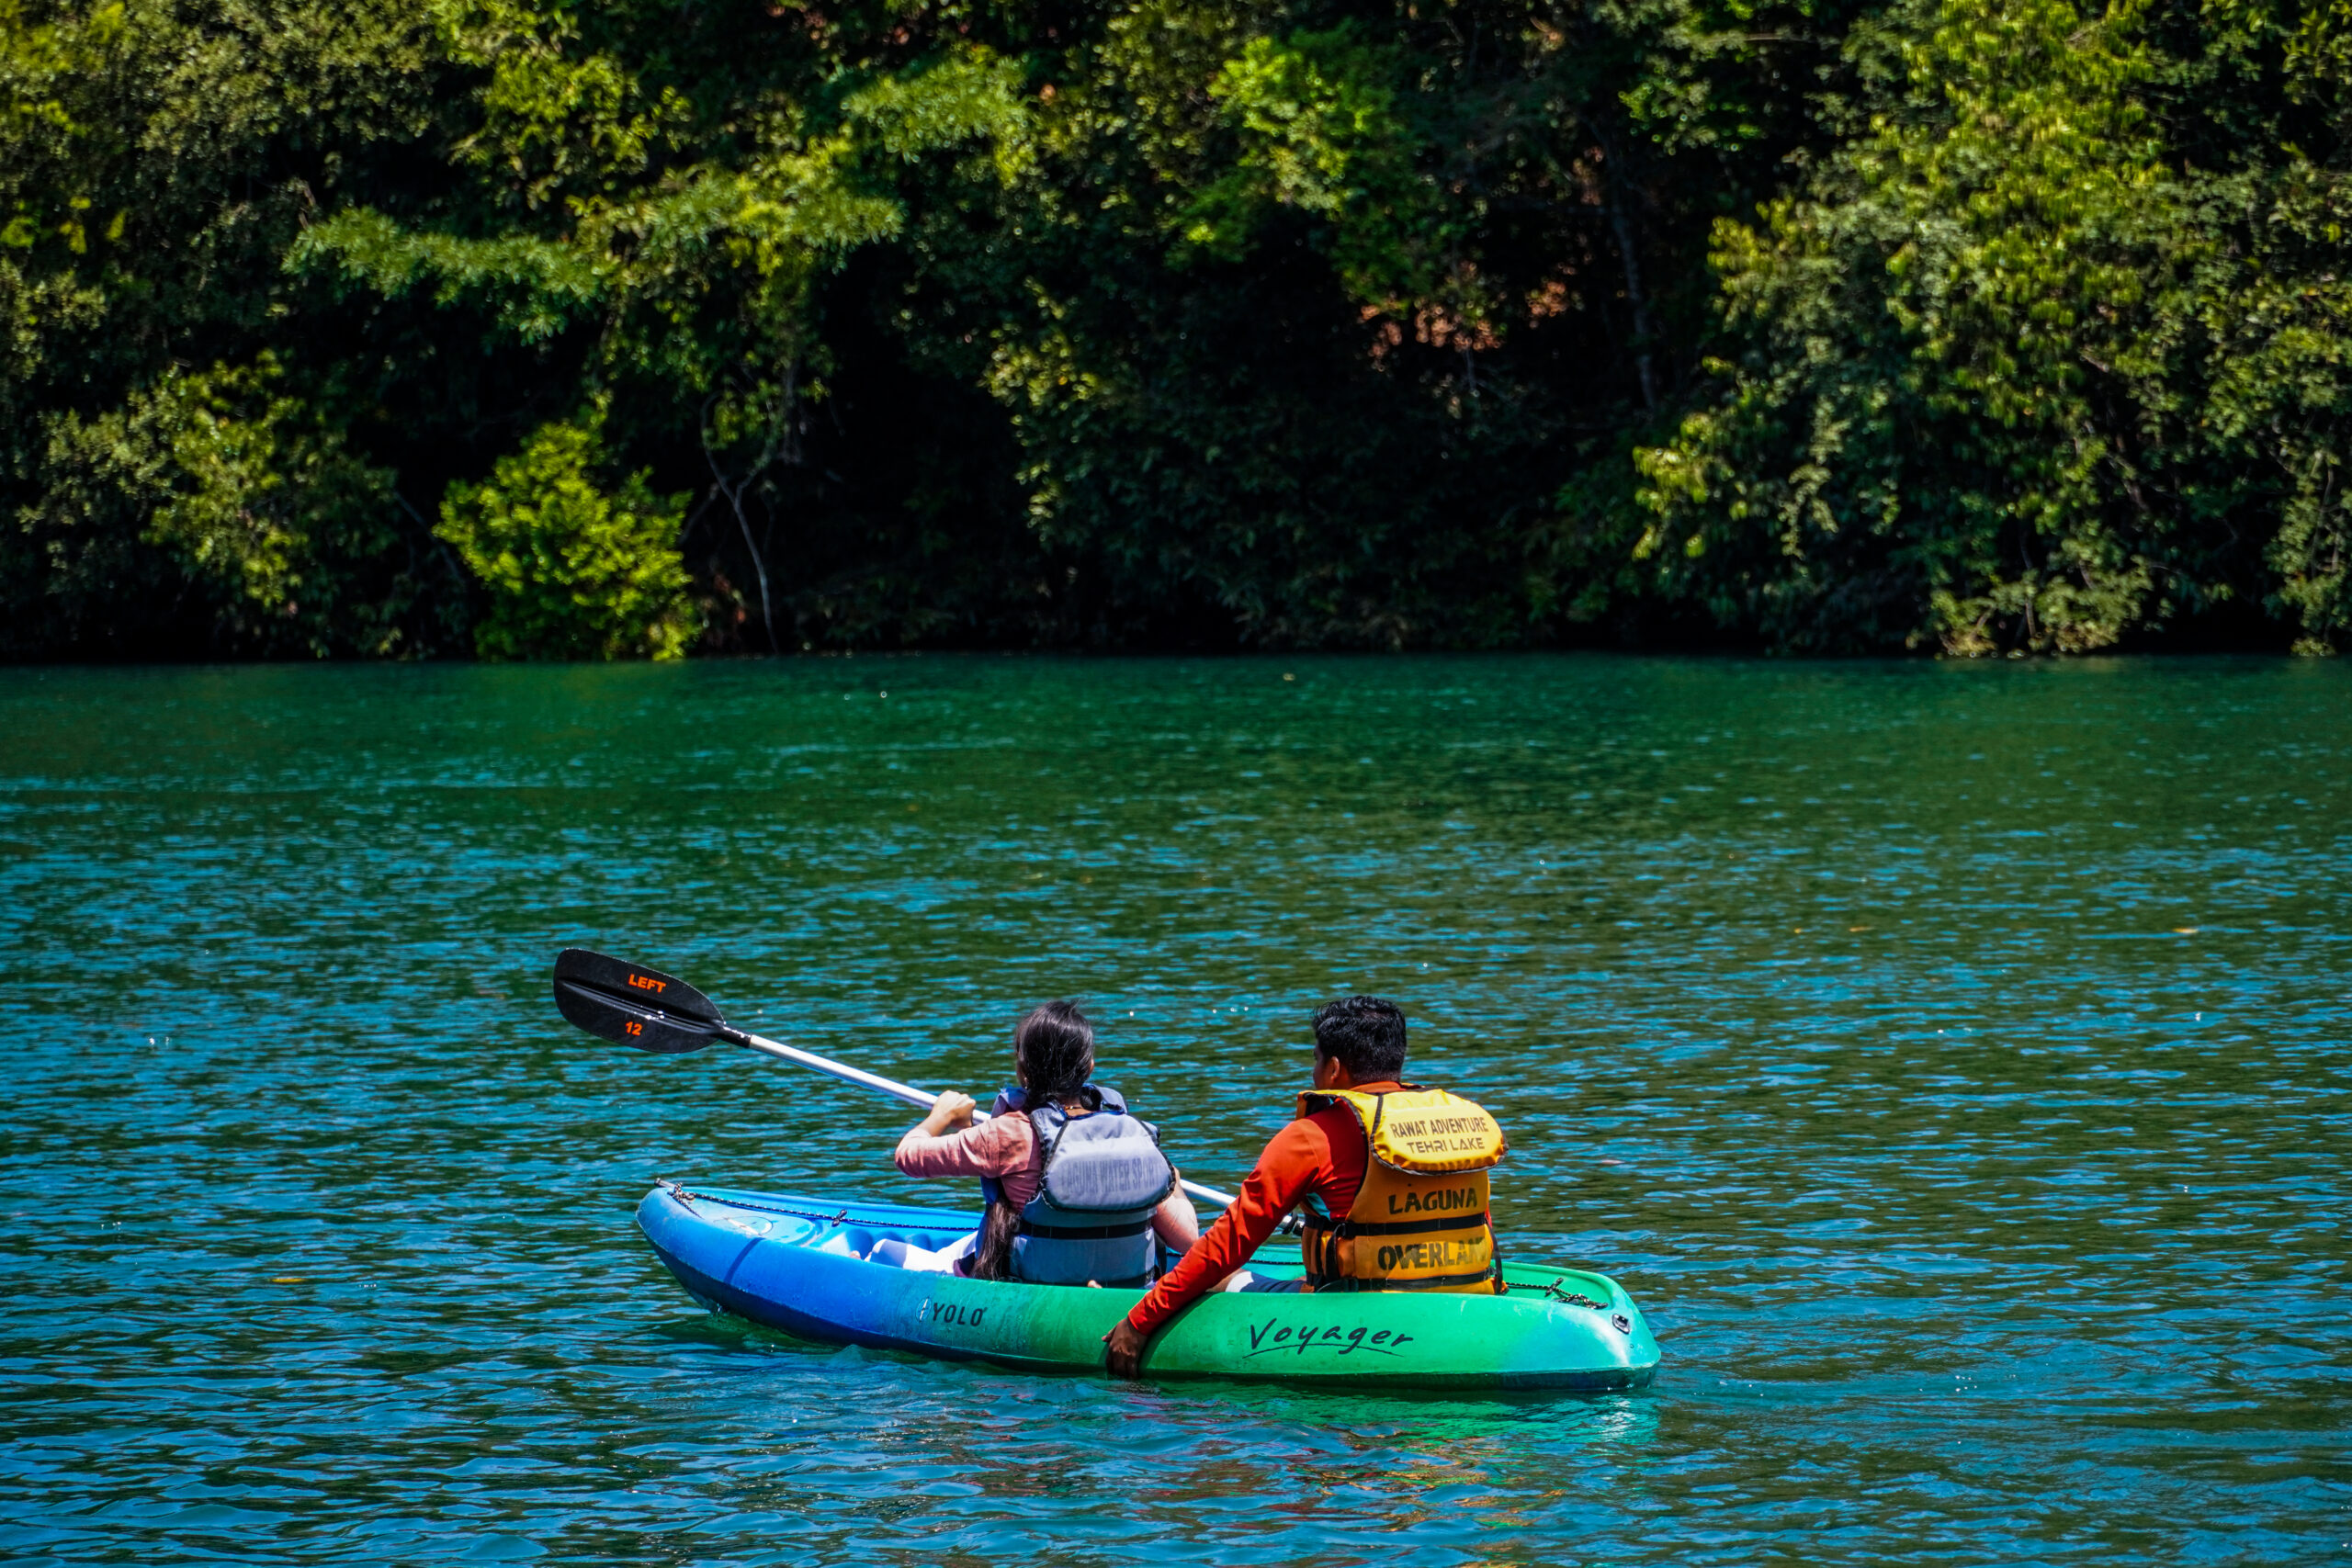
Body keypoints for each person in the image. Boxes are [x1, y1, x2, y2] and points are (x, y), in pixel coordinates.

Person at [1102, 994, 1507, 1377]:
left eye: (1315, 1060)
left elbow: (1227, 1245)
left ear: (1333, 1069)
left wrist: (1141, 1321)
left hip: (1353, 1319)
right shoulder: (1449, 1124)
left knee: (1228, 1278)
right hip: (1466, 1301)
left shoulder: (1310, 1138)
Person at [891, 999, 1199, 1283]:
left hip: (1032, 1294)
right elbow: (1187, 1238)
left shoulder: (1005, 1135)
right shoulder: (1133, 1137)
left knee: (883, 1251)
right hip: (1123, 1291)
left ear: (1022, 1070)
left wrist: (941, 1115)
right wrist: (1174, 1183)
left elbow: (908, 1156)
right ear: (1089, 1068)